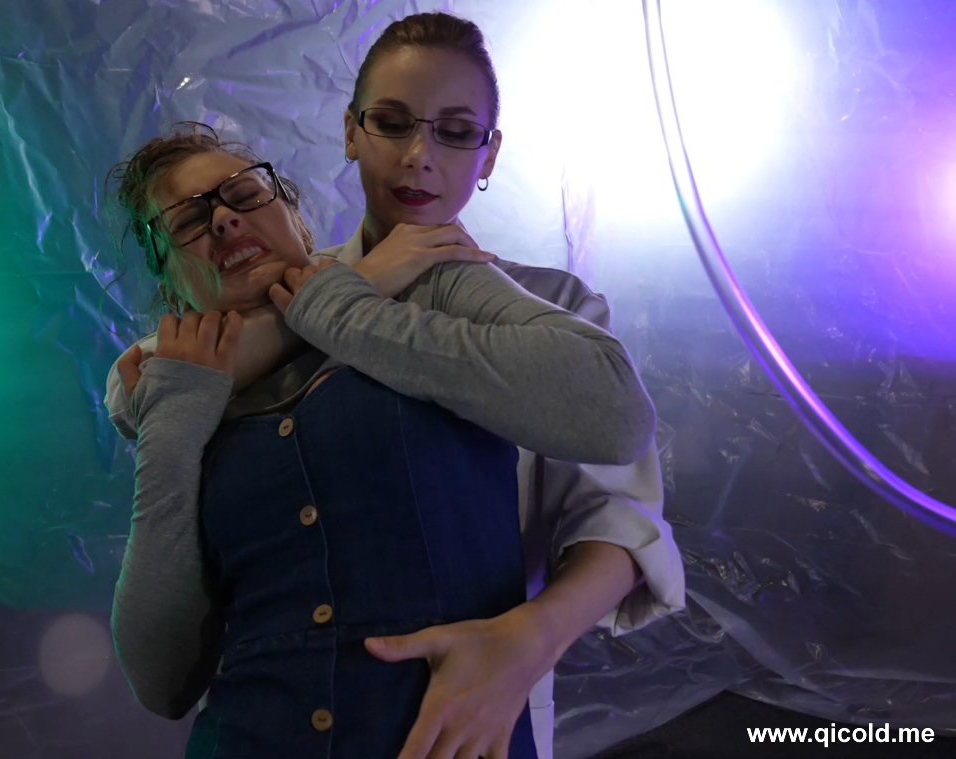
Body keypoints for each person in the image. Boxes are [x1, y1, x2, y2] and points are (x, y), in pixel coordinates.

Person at [105, 12, 685, 759]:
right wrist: (342, 294)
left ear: (489, 152)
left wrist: (527, 641)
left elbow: (617, 509)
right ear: (351, 132)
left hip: (463, 704)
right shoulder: (202, 347)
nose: (418, 157)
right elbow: (142, 394)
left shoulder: (538, 306)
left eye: (456, 131)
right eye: (391, 123)